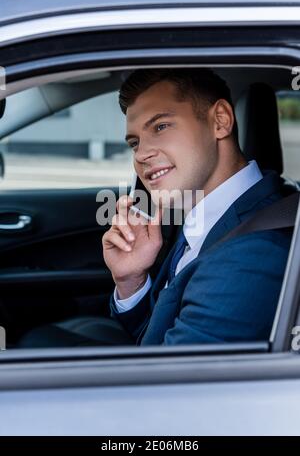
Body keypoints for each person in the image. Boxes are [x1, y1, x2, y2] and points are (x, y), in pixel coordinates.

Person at [18, 68, 292, 347]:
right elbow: (159, 331)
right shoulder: (209, 214)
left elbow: (172, 382)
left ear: (220, 121)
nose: (141, 155)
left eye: (160, 127)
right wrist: (131, 281)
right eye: (134, 142)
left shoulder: (251, 254)